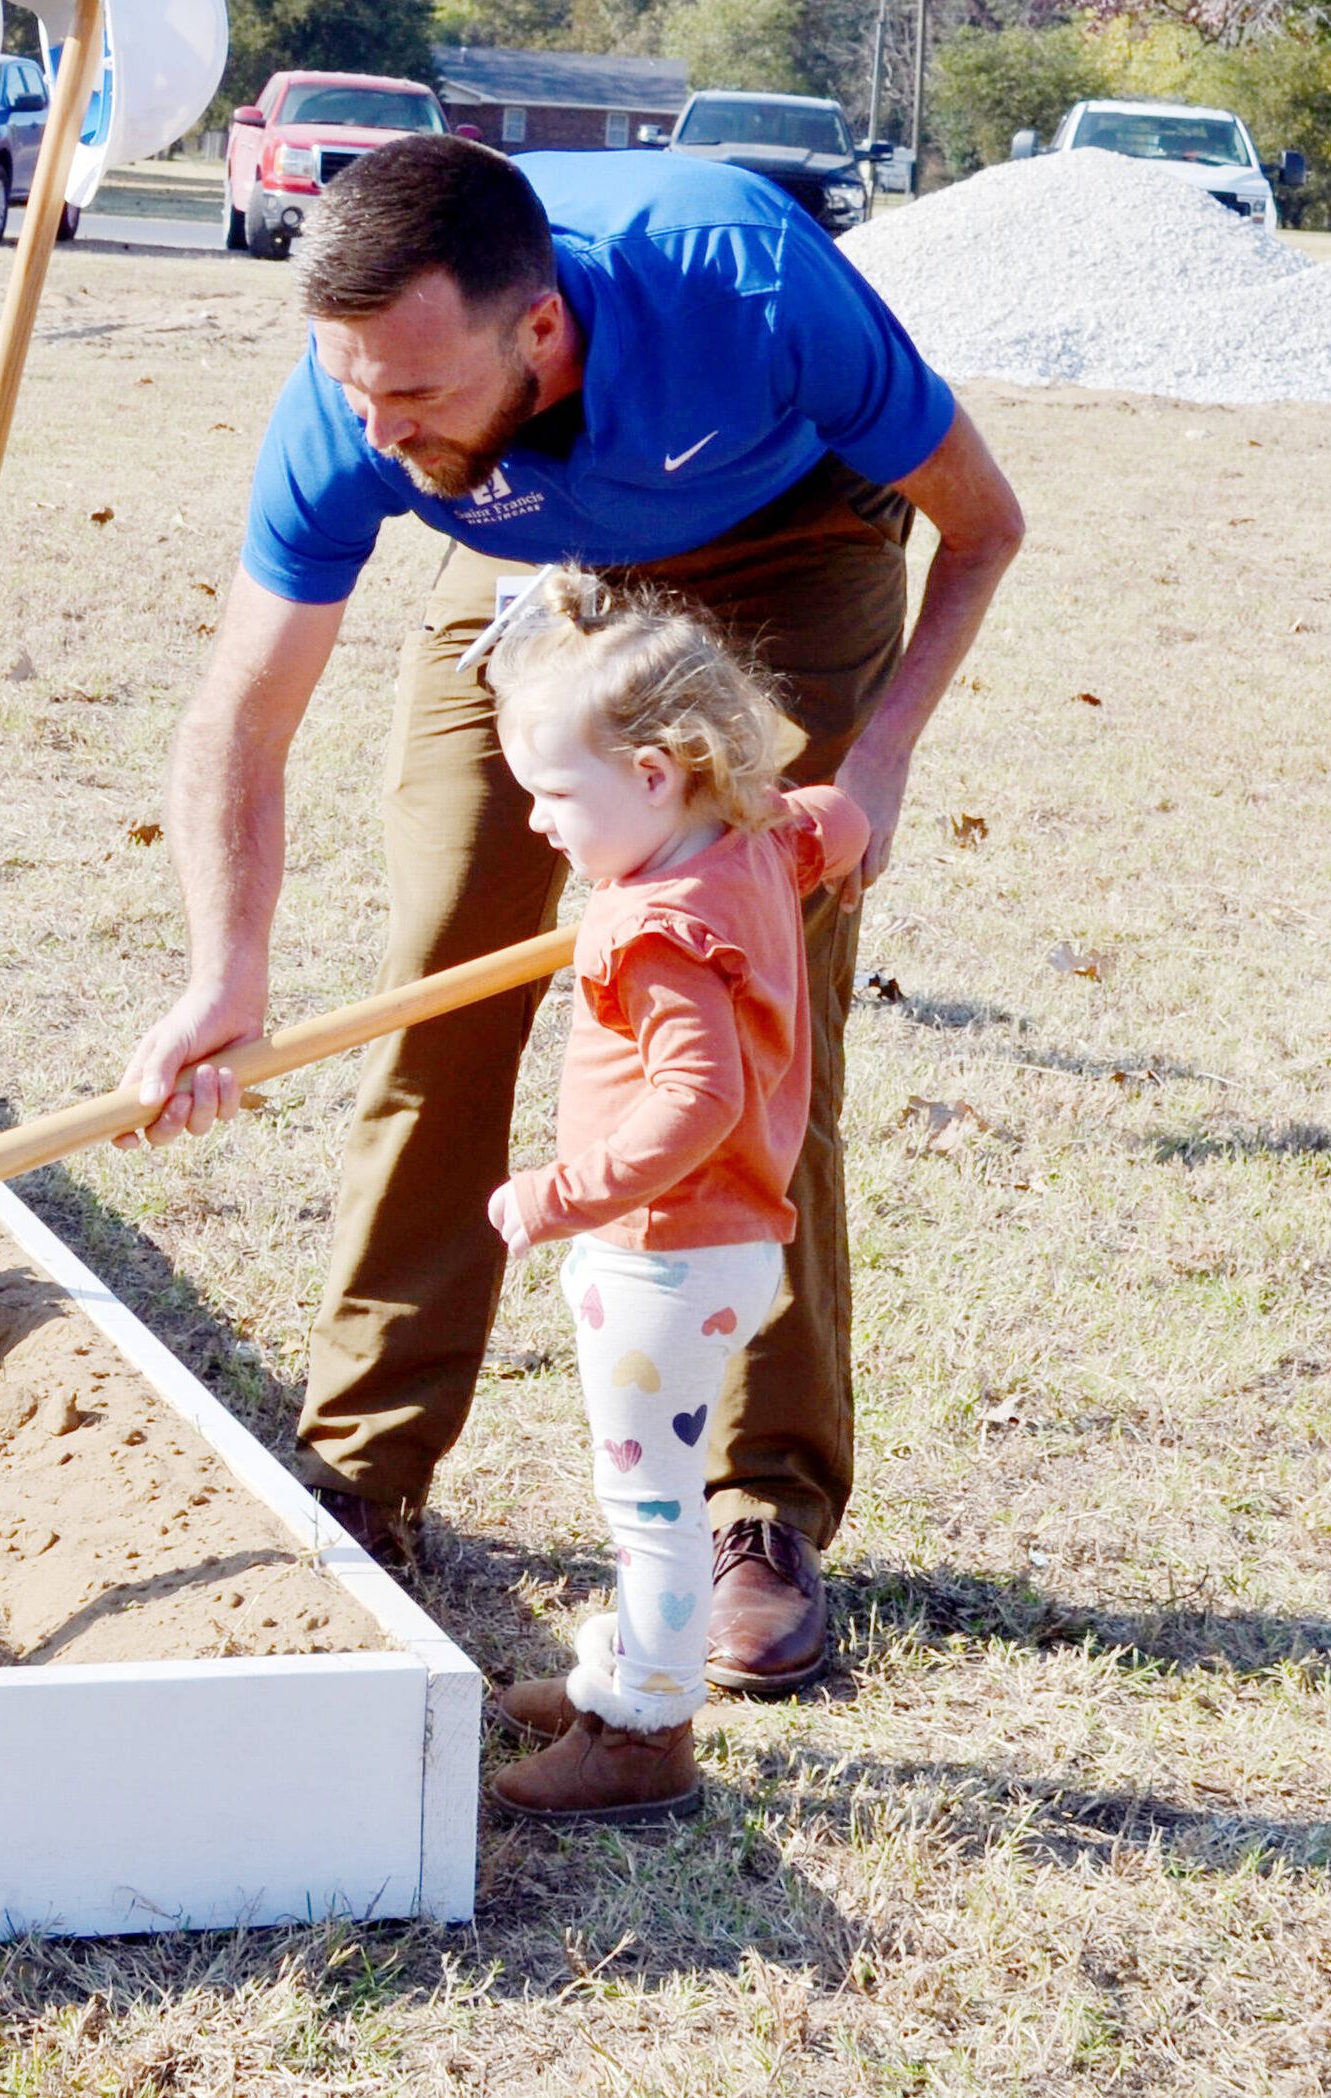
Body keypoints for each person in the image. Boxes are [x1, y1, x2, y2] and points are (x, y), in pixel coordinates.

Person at [123, 132, 1024, 1694]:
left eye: (412, 394)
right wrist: (228, 968)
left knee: (743, 1012)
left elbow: (986, 522)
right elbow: (240, 715)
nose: (378, 431)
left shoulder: (746, 282)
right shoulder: (366, 416)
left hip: (790, 545)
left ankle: (762, 1506)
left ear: (538, 331)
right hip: (538, 570)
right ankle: (366, 1465)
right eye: (355, 394)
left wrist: (873, 765)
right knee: (443, 981)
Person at [472, 573, 866, 1823]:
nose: (536, 823)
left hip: (660, 1253)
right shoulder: (755, 842)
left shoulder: (647, 929)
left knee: (650, 1507)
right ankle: (618, 1671)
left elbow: (691, 1102)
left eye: (553, 794)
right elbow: (836, 818)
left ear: (654, 774)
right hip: (730, 1246)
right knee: (658, 1488)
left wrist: (558, 1194)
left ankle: (643, 1732)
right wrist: (843, 843)